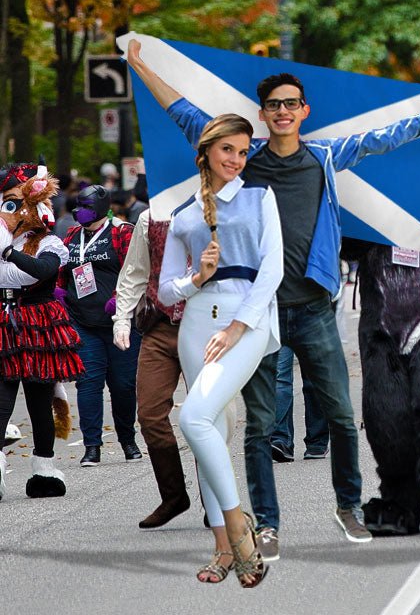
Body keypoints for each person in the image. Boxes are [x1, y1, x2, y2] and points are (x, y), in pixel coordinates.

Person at [127, 38, 420, 557]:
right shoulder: (244, 162)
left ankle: (348, 508)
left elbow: (383, 138)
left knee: (338, 413)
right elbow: (185, 114)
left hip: (313, 309)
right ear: (262, 116)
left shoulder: (326, 158)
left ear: (303, 111)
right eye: (274, 106)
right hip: (257, 314)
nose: (283, 111)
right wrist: (141, 66)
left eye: (292, 104)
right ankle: (266, 524)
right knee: (261, 425)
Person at [159, 113, 280, 586]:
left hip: (244, 321)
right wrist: (197, 278)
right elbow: (166, 291)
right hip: (195, 324)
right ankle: (222, 551)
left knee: (193, 417)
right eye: (228, 149)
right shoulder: (184, 214)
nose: (236, 159)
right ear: (208, 150)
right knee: (210, 431)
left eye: (243, 151)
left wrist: (237, 326)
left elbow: (272, 269)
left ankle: (239, 531)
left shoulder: (259, 196)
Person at [0, 163, 81, 500]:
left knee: (39, 402)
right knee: (2, 403)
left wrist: (8, 252)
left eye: (16, 203)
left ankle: (44, 470)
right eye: (6, 203)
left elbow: (42, 272)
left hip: (37, 324)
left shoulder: (48, 242)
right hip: (4, 322)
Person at [112, 209, 192, 528]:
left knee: (206, 416)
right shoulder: (150, 218)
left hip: (203, 327)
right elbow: (134, 273)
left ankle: (217, 499)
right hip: (159, 328)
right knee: (149, 413)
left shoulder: (220, 208)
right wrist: (121, 319)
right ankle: (173, 495)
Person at [60, 185, 141, 467]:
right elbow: (63, 270)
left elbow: (137, 271)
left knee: (123, 385)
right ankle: (92, 445)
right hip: (83, 322)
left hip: (121, 322)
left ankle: (128, 440)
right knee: (88, 384)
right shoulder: (72, 235)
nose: (78, 210)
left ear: (100, 206)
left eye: (85, 205)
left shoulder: (122, 232)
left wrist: (120, 300)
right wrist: (60, 292)